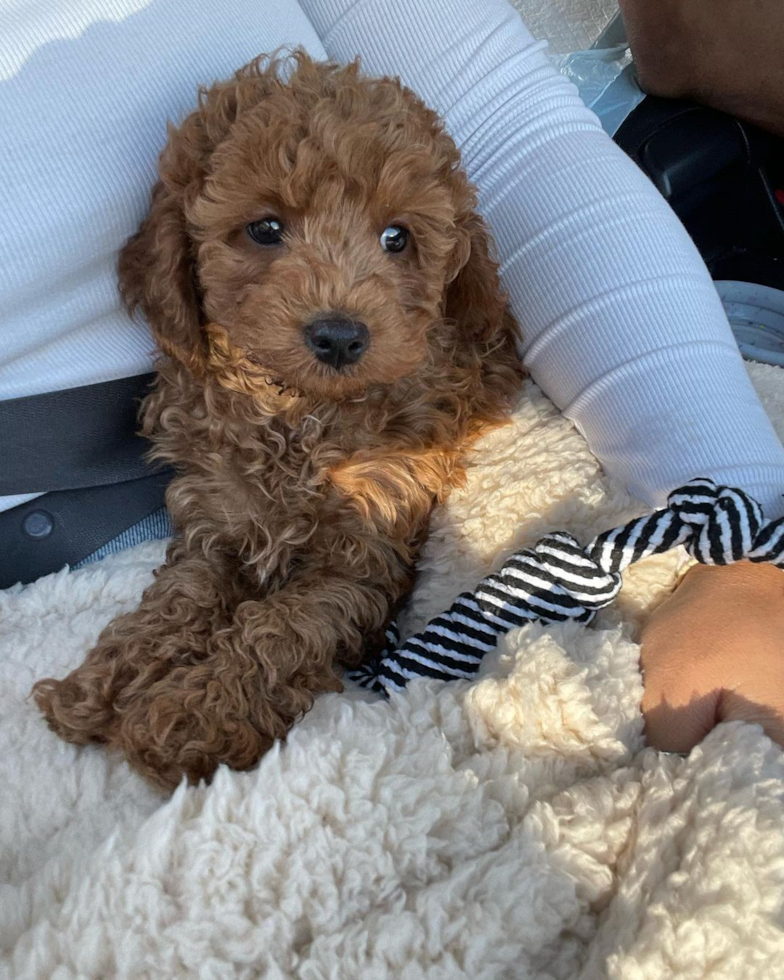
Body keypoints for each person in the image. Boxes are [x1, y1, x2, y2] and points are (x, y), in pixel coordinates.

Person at [1, 0, 783, 753]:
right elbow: (215, 541)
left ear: (458, 273)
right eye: (267, 232)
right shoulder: (194, 370)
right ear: (175, 257)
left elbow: (515, 128)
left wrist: (740, 522)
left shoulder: (405, 409)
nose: (339, 301)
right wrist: (163, 630)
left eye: (396, 239)